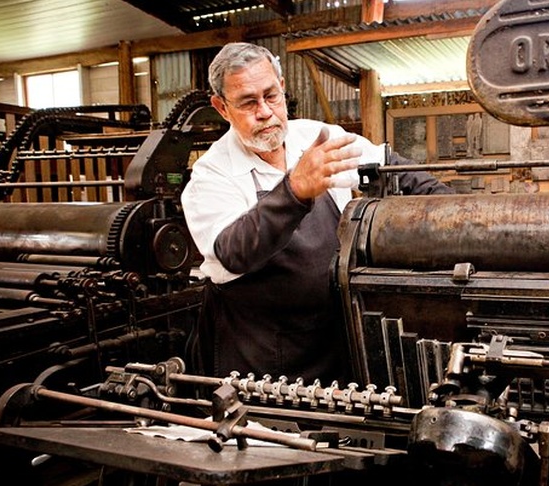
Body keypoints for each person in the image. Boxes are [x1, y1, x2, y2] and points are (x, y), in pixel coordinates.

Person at [181, 42, 453, 384]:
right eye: (248, 102)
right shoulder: (212, 174)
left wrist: (455, 213)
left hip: (329, 339)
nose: (265, 111)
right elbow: (233, 251)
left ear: (282, 86)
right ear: (222, 108)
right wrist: (294, 191)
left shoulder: (316, 137)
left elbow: (392, 170)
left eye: (271, 96)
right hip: (259, 355)